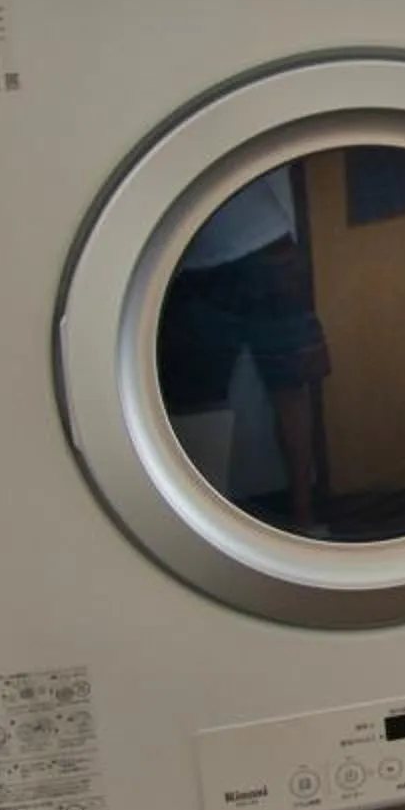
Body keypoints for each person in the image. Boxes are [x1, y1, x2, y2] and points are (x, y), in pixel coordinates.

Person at [156, 166, 331, 534]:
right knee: (195, 402)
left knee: (289, 388)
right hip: (198, 263)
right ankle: (202, 525)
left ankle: (305, 519)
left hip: (261, 248)